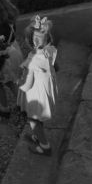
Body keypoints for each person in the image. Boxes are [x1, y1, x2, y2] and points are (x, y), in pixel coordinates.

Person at [17, 15, 58, 156]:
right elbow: (54, 65)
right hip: (45, 89)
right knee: (39, 117)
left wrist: (19, 83)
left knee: (33, 118)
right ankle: (38, 136)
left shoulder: (34, 61)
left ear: (32, 42)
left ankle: (44, 146)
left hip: (36, 92)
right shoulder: (50, 49)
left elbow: (27, 84)